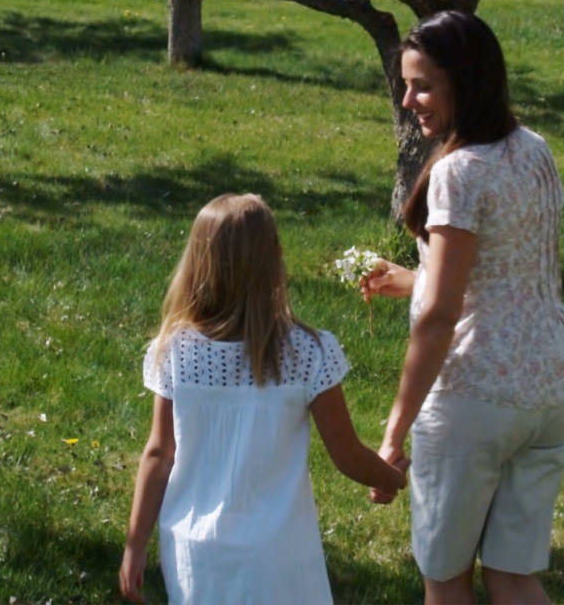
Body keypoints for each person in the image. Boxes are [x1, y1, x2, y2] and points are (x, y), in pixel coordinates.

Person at [359, 11, 564, 605]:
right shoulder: (532, 147)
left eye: (423, 85)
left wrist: (393, 436)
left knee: (447, 579)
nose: (409, 100)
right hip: (553, 385)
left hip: (477, 395)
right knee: (514, 576)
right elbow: (509, 264)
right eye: (405, 84)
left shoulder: (459, 172)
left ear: (467, 81)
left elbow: (440, 318)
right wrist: (414, 278)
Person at [120, 194, 408, 605]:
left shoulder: (174, 351)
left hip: (194, 550)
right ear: (274, 259)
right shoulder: (308, 352)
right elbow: (346, 454)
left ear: (198, 262)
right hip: (280, 554)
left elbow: (158, 454)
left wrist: (134, 545)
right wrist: (392, 477)